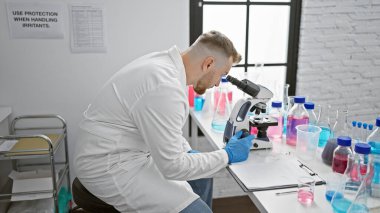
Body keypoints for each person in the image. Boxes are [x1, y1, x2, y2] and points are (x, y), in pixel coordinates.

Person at [73, 30, 255, 213]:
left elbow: (165, 132)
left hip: (124, 150)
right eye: (222, 74)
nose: (217, 83)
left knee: (203, 177)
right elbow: (173, 167)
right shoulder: (164, 86)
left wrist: (189, 152)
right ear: (208, 63)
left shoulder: (166, 67)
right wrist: (227, 155)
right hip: (108, 166)